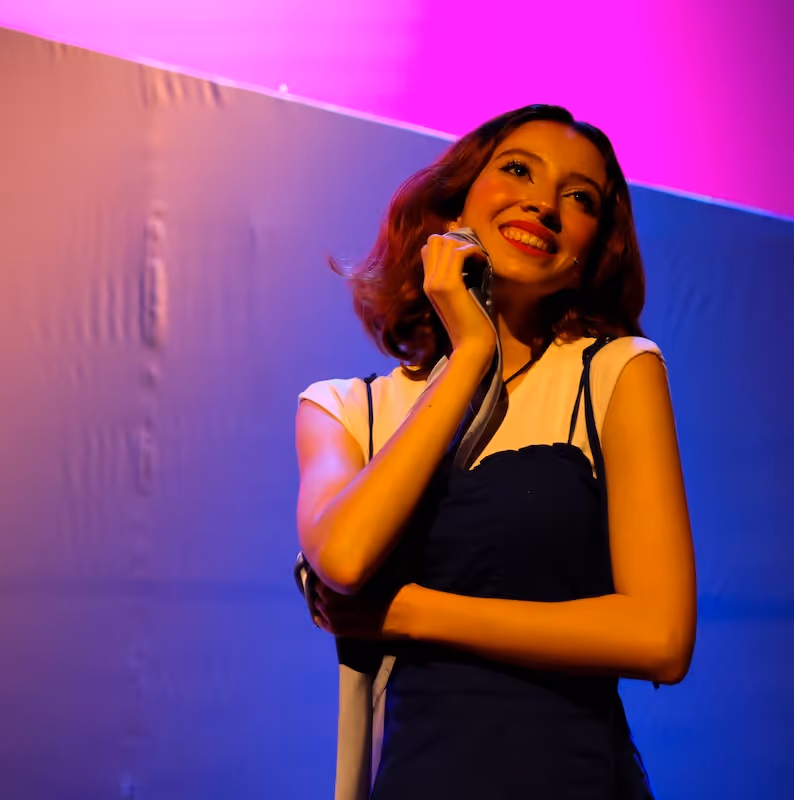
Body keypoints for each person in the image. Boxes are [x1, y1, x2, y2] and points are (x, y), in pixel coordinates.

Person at [295, 104, 696, 799]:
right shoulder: (344, 409)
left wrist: (409, 613)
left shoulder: (615, 372)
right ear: (454, 204)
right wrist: (472, 352)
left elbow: (660, 636)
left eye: (580, 199)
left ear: (592, 251)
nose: (544, 204)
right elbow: (346, 557)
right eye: (518, 171)